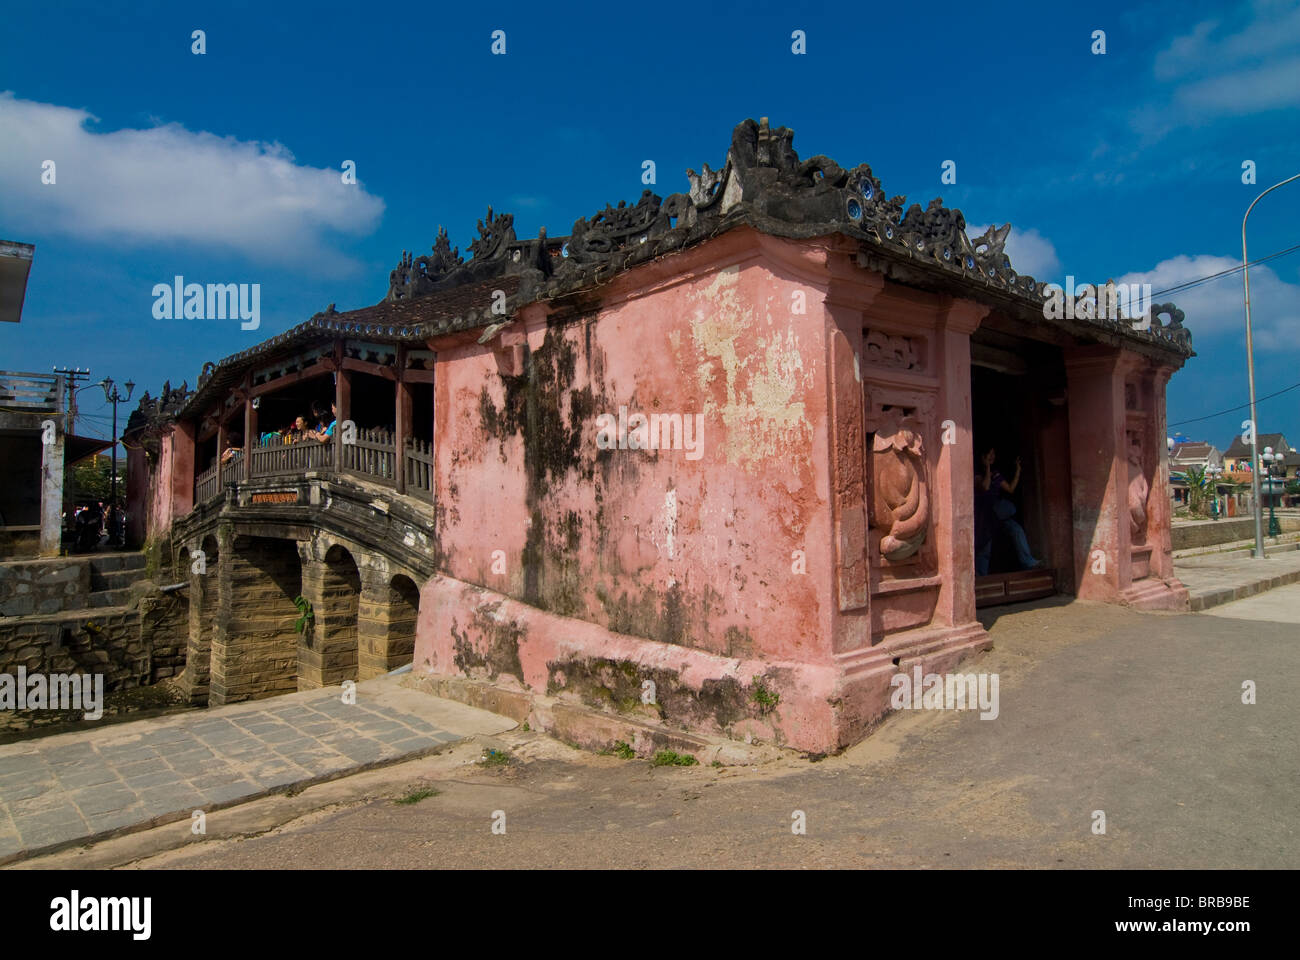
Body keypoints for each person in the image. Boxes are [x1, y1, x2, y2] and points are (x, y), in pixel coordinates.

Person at [975, 446, 1039, 575]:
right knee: (985, 543)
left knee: (1016, 530)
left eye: (993, 453)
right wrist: (987, 468)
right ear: (983, 457)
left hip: (997, 513)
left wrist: (1018, 470)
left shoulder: (996, 474)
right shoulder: (977, 475)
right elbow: (985, 487)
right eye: (989, 454)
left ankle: (1028, 562)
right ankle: (981, 575)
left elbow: (1010, 489)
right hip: (984, 513)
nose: (992, 456)